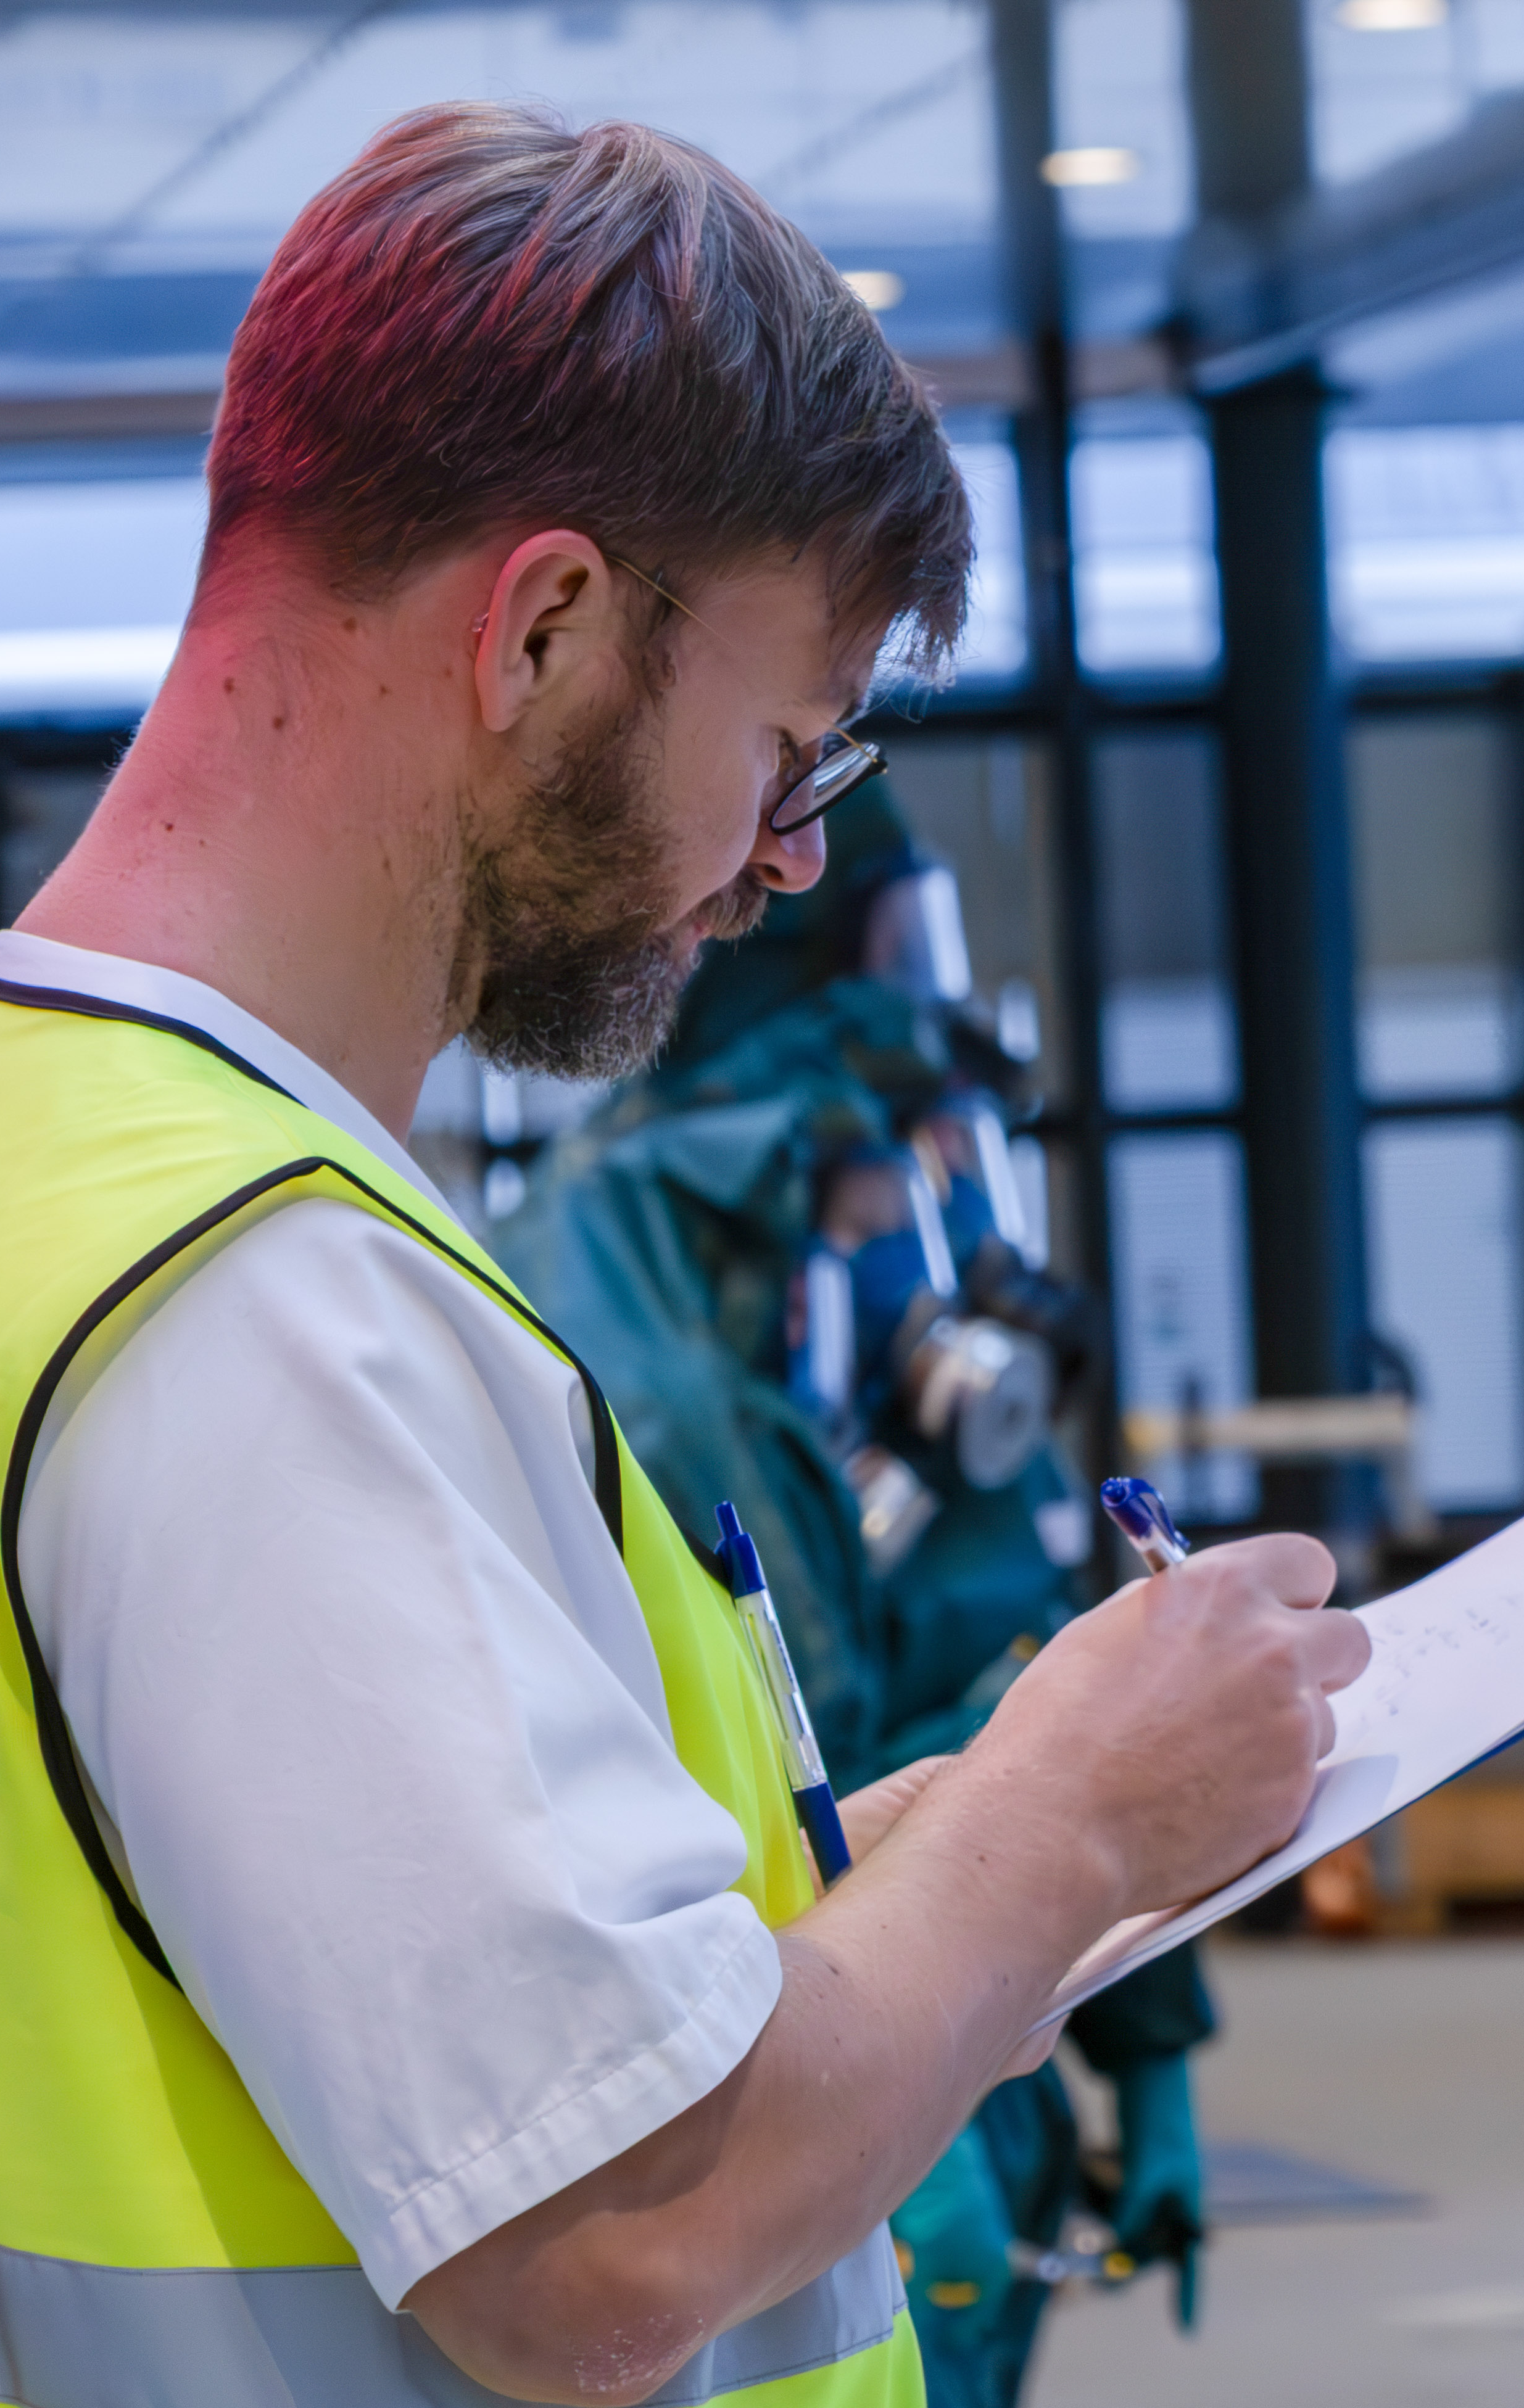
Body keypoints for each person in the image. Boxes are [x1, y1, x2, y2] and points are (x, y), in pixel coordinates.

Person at [0, 104, 1366, 2408]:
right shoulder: (246, 1302)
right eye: (784, 746)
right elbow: (609, 2235)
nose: (782, 861)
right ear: (545, 627)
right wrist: (1063, 1830)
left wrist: (980, 1834)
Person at [503, 786, 1212, 2408]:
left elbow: (1025, 1659)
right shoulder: (631, 1320)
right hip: (810, 2050)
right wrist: (896, 2102)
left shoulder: (854, 1231)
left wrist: (1152, 2047)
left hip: (978, 1995)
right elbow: (777, 1776)